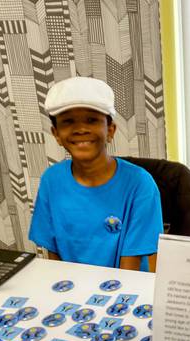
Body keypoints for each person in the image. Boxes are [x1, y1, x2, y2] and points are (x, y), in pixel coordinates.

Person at [29, 76, 163, 271]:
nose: (80, 129)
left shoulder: (140, 184)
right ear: (56, 134)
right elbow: (53, 254)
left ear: (110, 130)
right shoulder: (51, 180)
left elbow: (130, 269)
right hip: (71, 289)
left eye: (92, 120)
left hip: (122, 290)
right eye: (68, 122)